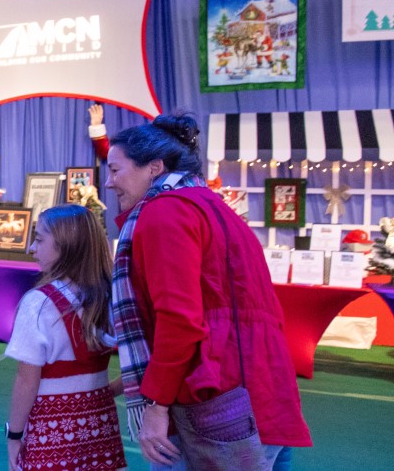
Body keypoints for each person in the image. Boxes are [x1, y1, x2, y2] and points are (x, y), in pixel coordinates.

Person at [104, 114, 311, 470]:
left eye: (115, 170)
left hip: (216, 405)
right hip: (265, 398)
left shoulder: (164, 212)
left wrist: (156, 407)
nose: (109, 183)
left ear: (154, 167)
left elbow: (181, 322)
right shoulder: (217, 210)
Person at [4, 204, 127, 471]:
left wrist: (14, 435)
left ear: (65, 246)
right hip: (100, 426)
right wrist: (104, 393)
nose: (31, 249)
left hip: (52, 433)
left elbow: (27, 380)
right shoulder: (110, 296)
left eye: (39, 239)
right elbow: (142, 365)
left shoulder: (38, 304)